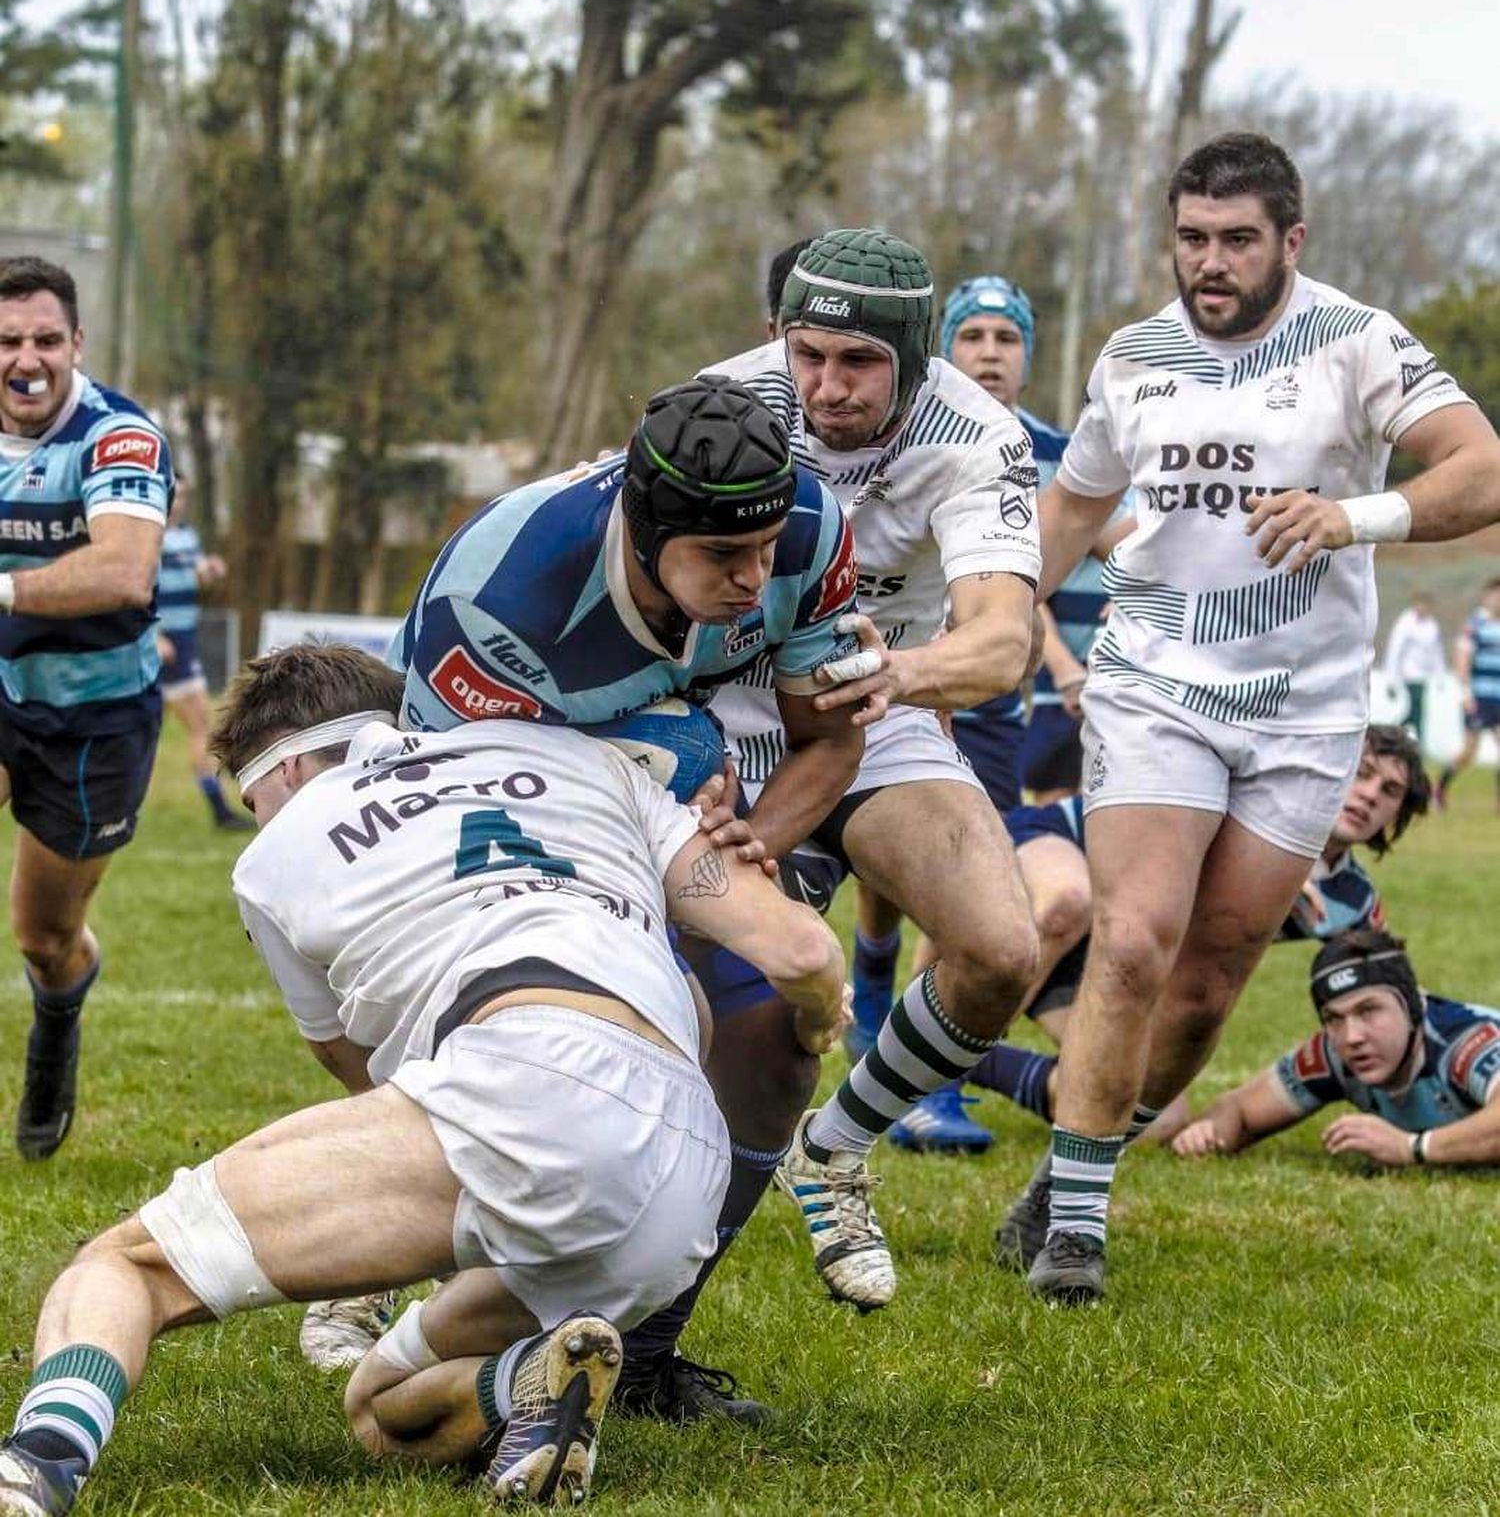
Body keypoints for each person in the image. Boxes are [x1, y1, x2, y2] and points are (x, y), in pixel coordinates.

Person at [0, 643, 850, 1515]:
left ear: (287, 764)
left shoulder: (278, 851)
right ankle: (532, 1379)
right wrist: (822, 1023)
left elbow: (359, 1071)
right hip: (684, 1186)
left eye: (258, 802)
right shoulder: (592, 763)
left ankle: (37, 1467)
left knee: (129, 1266)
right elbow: (803, 951)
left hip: (525, 1086)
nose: (262, 822)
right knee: (380, 1408)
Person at [1009, 130, 1500, 1304]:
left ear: (1292, 238)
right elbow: (1073, 505)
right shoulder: (1132, 355)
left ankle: (1075, 1163)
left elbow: (1480, 465)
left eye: (1236, 239)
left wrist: (1355, 516)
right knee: (1133, 939)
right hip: (1154, 681)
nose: (1209, 262)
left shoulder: (1355, 338)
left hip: (1305, 709)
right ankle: (1077, 1223)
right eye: (1190, 239)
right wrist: (991, 608)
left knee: (1212, 975)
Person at [392, 374, 878, 1420]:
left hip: (678, 783)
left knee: (770, 1035)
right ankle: (425, 1311)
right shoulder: (495, 595)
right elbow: (451, 804)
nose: (756, 577)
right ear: (645, 528)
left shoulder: (804, 532)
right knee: (545, 1048)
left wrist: (756, 838)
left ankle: (647, 1352)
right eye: (721, 557)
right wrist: (649, 785)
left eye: (763, 550)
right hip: (506, 810)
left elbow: (830, 737)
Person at [701, 227, 1043, 1313]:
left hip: (878, 693)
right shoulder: (725, 401)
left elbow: (1001, 643)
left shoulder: (975, 431)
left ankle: (835, 1149)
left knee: (998, 949)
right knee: (717, 1036)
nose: (826, 388)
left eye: (858, 363)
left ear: (913, 353)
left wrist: (901, 672)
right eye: (808, 356)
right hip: (727, 707)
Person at [846, 273, 1136, 1155]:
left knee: (971, 871)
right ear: (946, 351)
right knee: (892, 860)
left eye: (1006, 341)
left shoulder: (1057, 453)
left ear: (1027, 354)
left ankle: (923, 1063)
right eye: (973, 338)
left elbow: (1099, 548)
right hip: (908, 669)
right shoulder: (910, 438)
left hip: (996, 697)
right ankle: (873, 1002)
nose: (990, 355)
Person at [977, 724, 1430, 1146]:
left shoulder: (1352, 902)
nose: (1369, 794)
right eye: (1362, 774)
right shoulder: (1257, 809)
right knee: (1066, 903)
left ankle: (973, 1065)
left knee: (1154, 1117)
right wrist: (1264, 880)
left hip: (1112, 950)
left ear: (1398, 814)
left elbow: (1385, 989)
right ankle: (956, 1044)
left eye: (1389, 791)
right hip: (1065, 843)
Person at [0, 255, 173, 1161]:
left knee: (46, 936)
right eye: (6, 341)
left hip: (95, 722)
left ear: (76, 346)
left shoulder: (119, 437)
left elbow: (123, 569)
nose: (25, 359)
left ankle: (57, 1020)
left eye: (43, 340)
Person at [1170, 930, 1500, 1167]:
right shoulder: (1334, 1053)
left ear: (1413, 1005)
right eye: (1334, 1018)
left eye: (1368, 1010)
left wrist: (1412, 1148)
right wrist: (1207, 1135)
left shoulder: (1466, 1042)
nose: (1352, 1035)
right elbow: (1240, 1112)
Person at [155, 481, 251, 831]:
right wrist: (153, 635)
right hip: (161, 646)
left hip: (182, 641)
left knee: (150, 731)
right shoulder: (146, 534)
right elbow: (133, 586)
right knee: (201, 726)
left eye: (183, 496)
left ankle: (219, 811)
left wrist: (208, 570)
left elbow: (196, 580)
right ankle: (220, 812)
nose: (177, 503)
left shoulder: (186, 536)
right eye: (172, 495)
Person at [1436, 577, 1500, 811]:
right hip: (1479, 698)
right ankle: (1440, 789)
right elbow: (1462, 660)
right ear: (1487, 597)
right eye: (1495, 595)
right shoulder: (1475, 625)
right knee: (1468, 752)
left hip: (1499, 698)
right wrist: (1465, 693)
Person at [1380, 590, 1445, 743]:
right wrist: (1390, 679)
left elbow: (1437, 652)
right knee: (1417, 709)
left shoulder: (1431, 625)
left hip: (1423, 675)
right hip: (1408, 673)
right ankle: (1417, 742)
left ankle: (1392, 735)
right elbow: (1394, 651)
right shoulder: (1405, 623)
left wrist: (1440, 676)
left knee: (1415, 710)